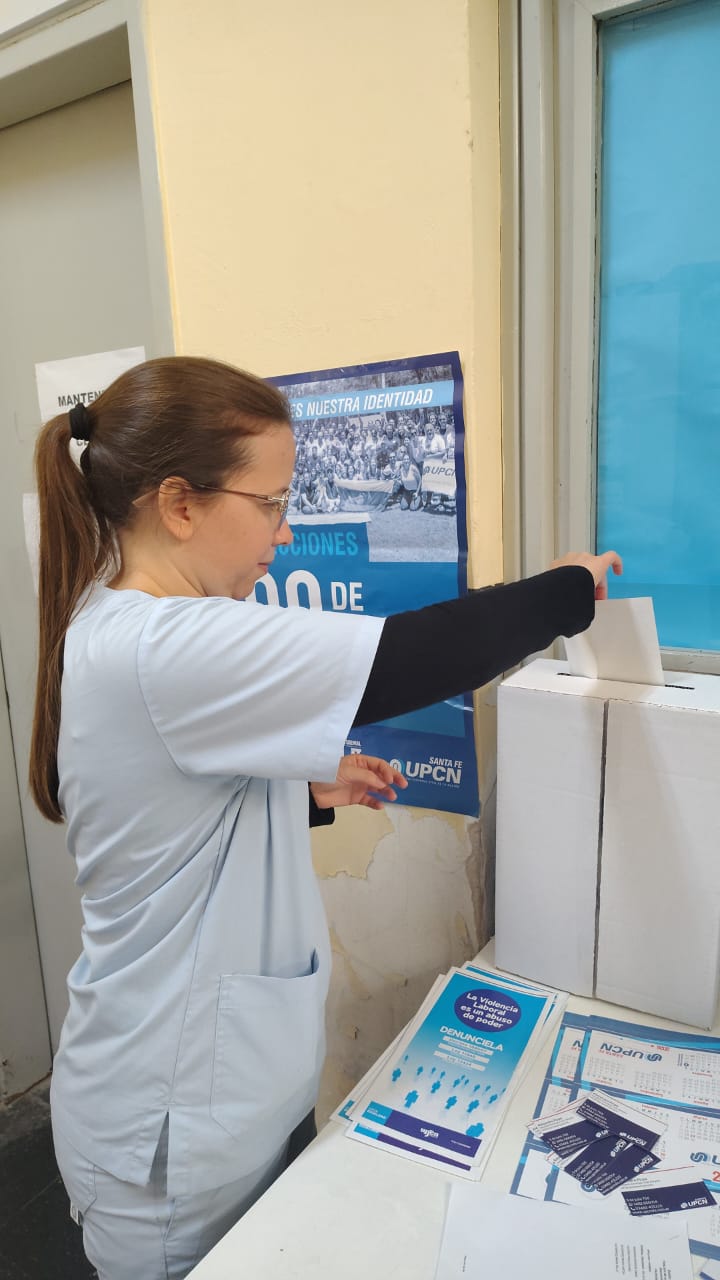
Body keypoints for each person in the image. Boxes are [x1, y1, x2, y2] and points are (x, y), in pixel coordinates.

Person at [30, 355, 621, 1280]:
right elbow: (409, 657)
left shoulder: (143, 630)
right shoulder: (164, 640)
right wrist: (565, 591)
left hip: (225, 1095)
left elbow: (165, 806)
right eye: (269, 503)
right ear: (179, 505)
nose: (285, 528)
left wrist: (303, 793)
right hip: (170, 1127)